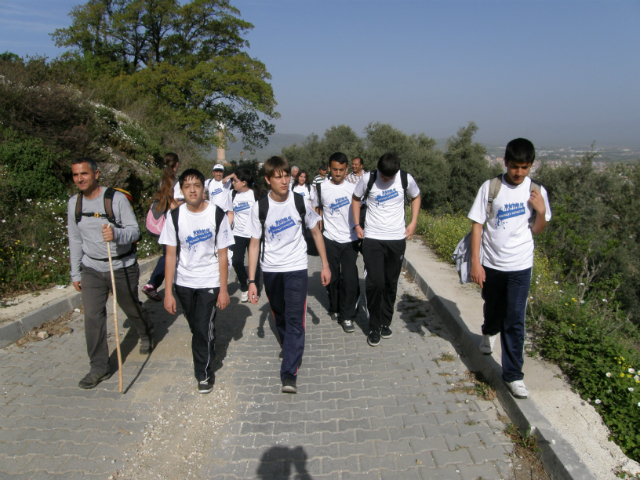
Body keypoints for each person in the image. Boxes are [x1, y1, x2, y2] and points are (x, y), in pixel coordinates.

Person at [468, 138, 551, 399]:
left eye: (525, 167)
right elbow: (478, 224)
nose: (519, 173)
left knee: (515, 318)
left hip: (520, 265)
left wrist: (540, 211)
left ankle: (514, 375)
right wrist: (475, 262)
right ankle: (488, 332)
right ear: (506, 163)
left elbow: (537, 230)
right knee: (492, 305)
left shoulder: (537, 192)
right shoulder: (491, 187)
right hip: (492, 263)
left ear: (531, 166)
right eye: (515, 166)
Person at [244, 156, 331, 394]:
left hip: (295, 268)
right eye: (278, 177)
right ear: (268, 179)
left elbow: (315, 232)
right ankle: (291, 347)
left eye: (286, 176)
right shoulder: (259, 207)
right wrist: (252, 281)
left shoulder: (300, 201)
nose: (284, 181)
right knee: (279, 316)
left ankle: (289, 372)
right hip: (271, 270)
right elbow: (254, 245)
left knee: (294, 318)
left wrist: (325, 264)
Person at [67, 157, 154, 389]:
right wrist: (75, 272)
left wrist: (116, 233)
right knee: (93, 318)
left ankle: (145, 332)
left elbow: (134, 232)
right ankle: (99, 367)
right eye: (76, 175)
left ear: (96, 174)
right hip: (92, 268)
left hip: (121, 265)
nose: (80, 179)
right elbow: (75, 239)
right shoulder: (74, 203)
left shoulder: (115, 199)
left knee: (131, 308)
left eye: (84, 174)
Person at [160, 168, 234, 394]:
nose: (192, 190)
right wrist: (168, 292)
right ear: (181, 190)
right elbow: (170, 255)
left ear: (204, 188)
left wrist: (224, 289)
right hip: (184, 282)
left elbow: (223, 254)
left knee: (202, 328)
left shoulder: (216, 214)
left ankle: (203, 373)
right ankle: (208, 341)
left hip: (209, 281)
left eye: (197, 185)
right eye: (187, 186)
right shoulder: (174, 217)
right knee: (197, 328)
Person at [352, 153, 421, 347]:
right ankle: (373, 326)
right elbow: (356, 199)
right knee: (375, 283)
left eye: (389, 177)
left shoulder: (405, 179)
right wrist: (357, 224)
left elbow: (415, 197)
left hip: (396, 239)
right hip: (373, 239)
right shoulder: (369, 178)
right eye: (383, 175)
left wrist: (414, 222)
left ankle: (385, 323)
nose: (386, 180)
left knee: (391, 283)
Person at [314, 152, 360, 334]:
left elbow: (360, 209)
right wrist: (318, 224)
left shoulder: (353, 188)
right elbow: (317, 208)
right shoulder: (321, 187)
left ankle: (347, 316)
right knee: (333, 278)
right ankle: (334, 306)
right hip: (330, 239)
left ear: (346, 169)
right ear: (329, 168)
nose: (338, 173)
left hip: (350, 240)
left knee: (349, 279)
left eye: (342, 170)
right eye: (335, 169)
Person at [142, 153, 182, 301]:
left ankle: (158, 285)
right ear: (176, 164)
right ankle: (152, 284)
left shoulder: (163, 181)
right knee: (170, 256)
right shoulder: (176, 183)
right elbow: (173, 205)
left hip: (165, 224)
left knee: (170, 255)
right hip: (173, 225)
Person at [230, 168, 265, 302]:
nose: (233, 183)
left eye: (235, 180)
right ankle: (245, 286)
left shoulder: (255, 194)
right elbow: (231, 213)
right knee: (236, 261)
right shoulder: (232, 194)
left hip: (253, 235)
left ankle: (254, 287)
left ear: (244, 182)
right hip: (237, 234)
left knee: (254, 263)